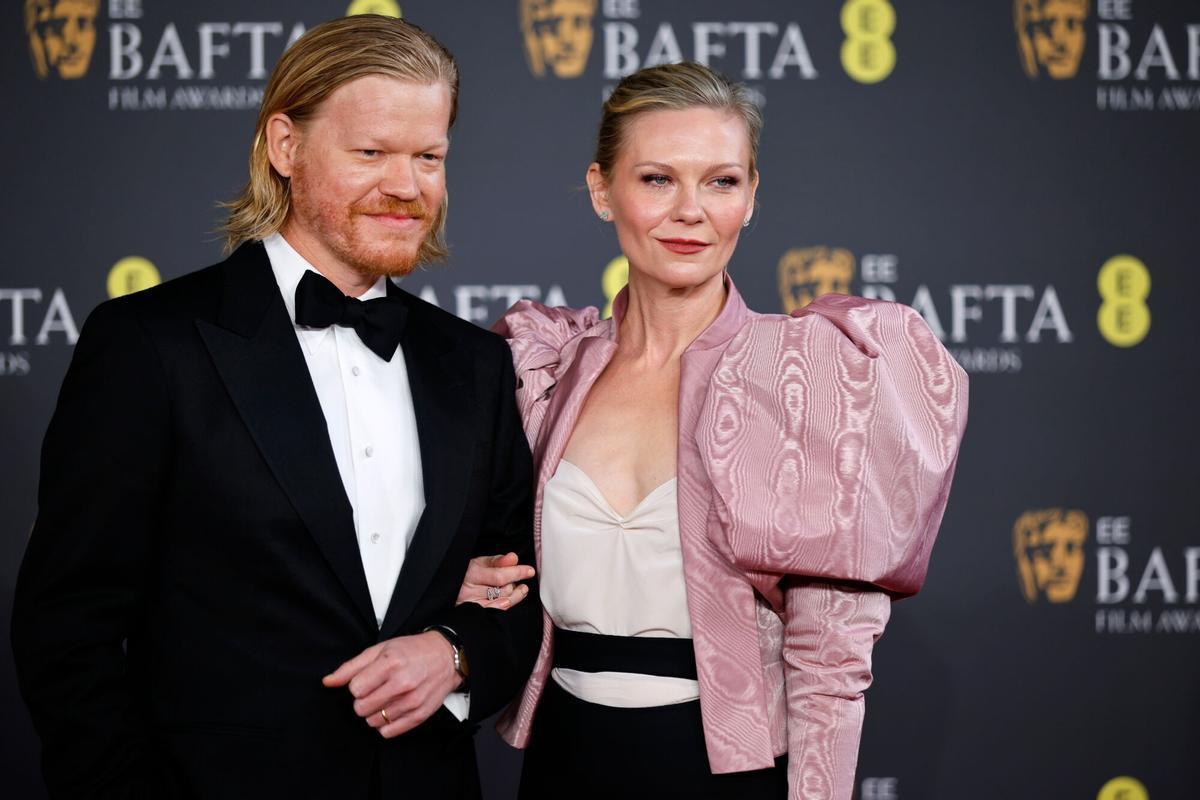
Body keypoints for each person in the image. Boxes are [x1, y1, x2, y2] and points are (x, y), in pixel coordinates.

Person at [11, 15, 540, 799]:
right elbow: (67, 626)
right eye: (371, 153)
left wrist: (453, 652)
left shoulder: (474, 363)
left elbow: (519, 593)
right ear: (285, 147)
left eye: (428, 157)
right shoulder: (151, 344)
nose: (408, 186)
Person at [490, 62, 969, 799]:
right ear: (601, 190)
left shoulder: (806, 379)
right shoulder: (547, 367)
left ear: (750, 197)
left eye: (721, 181)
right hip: (563, 756)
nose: (691, 211)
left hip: (724, 771)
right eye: (658, 179)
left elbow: (829, 657)